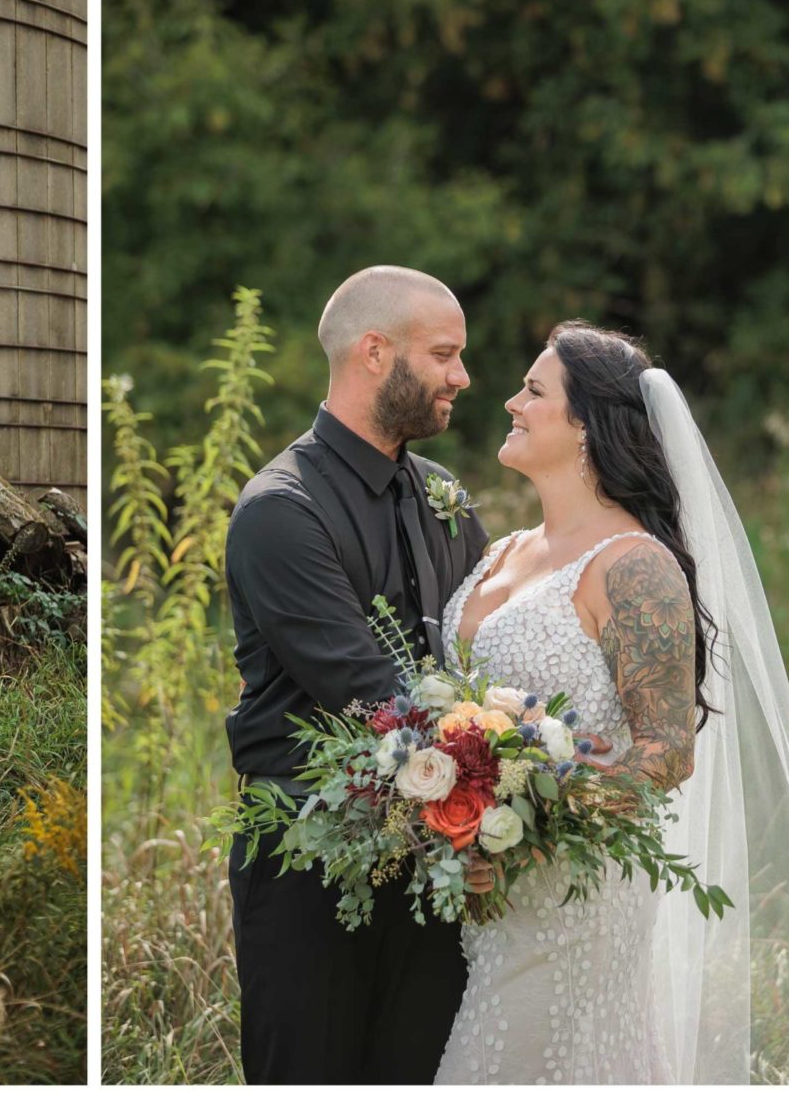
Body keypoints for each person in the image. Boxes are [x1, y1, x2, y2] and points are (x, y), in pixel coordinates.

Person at [431, 323, 789, 1082]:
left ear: (586, 425)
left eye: (534, 391)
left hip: (576, 895)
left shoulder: (636, 568)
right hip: (486, 900)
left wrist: (531, 830)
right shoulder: (501, 550)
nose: (510, 401)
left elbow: (666, 752)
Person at [223, 266, 489, 1083]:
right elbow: (370, 693)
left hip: (439, 864)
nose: (462, 376)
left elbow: (483, 664)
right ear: (376, 351)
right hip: (310, 863)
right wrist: (506, 778)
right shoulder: (281, 509)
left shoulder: (447, 496)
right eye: (445, 354)